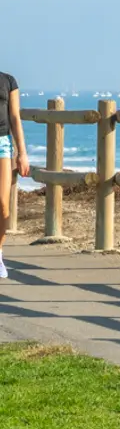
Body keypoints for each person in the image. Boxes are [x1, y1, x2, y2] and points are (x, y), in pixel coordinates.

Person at [0, 73, 30, 279]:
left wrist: (22, 153)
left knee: (3, 204)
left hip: (2, 143)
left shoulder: (8, 81)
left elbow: (15, 117)